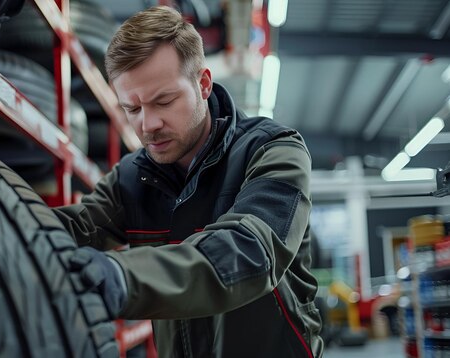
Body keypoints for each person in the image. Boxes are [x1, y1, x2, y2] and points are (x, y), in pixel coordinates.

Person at [53, 5, 323, 357]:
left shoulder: (273, 151)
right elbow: (73, 227)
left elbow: (250, 252)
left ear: (204, 84)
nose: (148, 125)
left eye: (163, 101)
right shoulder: (131, 178)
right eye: (132, 109)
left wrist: (123, 277)